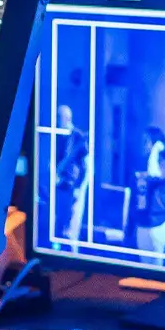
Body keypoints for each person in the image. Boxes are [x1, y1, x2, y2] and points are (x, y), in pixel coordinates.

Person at [134, 126, 165, 262]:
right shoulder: (140, 163)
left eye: (146, 141)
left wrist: (155, 151)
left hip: (158, 224)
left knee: (158, 273)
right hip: (142, 224)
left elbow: (156, 175)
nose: (143, 145)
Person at [53, 105, 90, 247]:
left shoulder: (78, 137)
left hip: (72, 188)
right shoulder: (57, 135)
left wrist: (79, 188)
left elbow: (87, 168)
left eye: (58, 117)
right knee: (57, 226)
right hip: (58, 186)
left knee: (70, 231)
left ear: (67, 118)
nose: (56, 120)